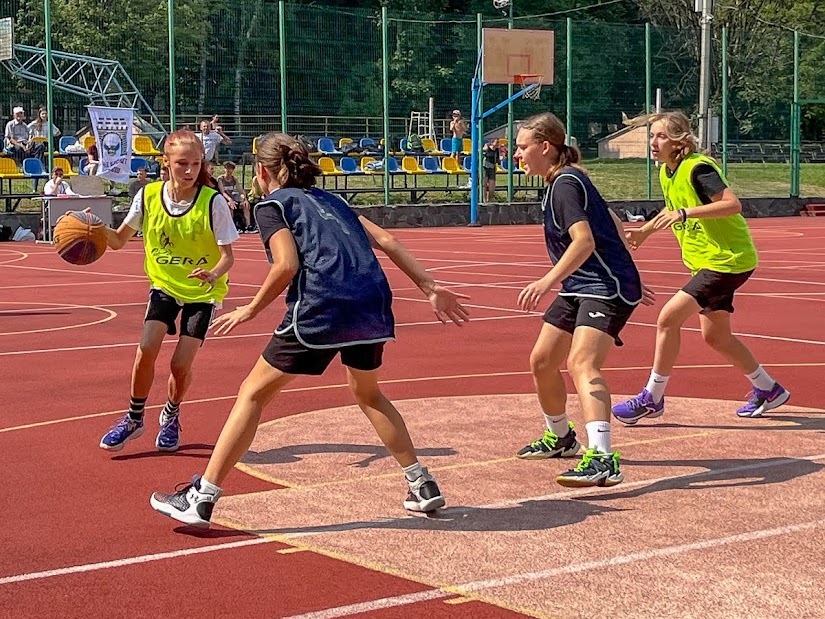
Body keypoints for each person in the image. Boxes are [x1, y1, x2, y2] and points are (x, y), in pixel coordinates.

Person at [149, 132, 470, 527]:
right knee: (368, 393)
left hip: (323, 304)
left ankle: (202, 497)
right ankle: (421, 483)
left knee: (252, 394)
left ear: (262, 171)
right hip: (371, 304)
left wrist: (250, 309)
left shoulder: (273, 205)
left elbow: (285, 265)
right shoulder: (334, 200)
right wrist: (430, 288)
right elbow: (386, 239)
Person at [612, 111, 790, 423]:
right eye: (652, 135)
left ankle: (652, 398)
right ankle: (768, 389)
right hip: (709, 262)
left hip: (727, 260)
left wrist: (685, 213)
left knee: (668, 319)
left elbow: (732, 205)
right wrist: (645, 231)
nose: (654, 142)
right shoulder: (668, 172)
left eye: (662, 136)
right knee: (716, 337)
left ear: (679, 140)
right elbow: (671, 209)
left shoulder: (699, 168)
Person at [512, 112, 653, 488]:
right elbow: (608, 216)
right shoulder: (566, 180)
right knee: (542, 362)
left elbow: (585, 240)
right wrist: (627, 263)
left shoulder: (566, 183)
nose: (516, 154)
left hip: (603, 287)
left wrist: (546, 281)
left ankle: (604, 458)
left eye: (522, 147)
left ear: (545, 147)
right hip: (584, 283)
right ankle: (561, 438)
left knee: (581, 362)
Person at [98, 129, 238, 453]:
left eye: (196, 164)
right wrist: (92, 228)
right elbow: (118, 240)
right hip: (164, 286)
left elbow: (228, 257)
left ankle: (172, 414)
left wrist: (213, 273)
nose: (189, 171)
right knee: (146, 349)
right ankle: (134, 418)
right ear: (166, 161)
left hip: (203, 292)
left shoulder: (212, 202)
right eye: (182, 164)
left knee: (179, 365)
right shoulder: (147, 197)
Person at [218, 161, 254, 232]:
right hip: (223, 199)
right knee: (230, 206)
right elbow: (222, 192)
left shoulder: (234, 179)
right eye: (226, 168)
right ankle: (231, 226)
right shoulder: (220, 179)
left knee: (245, 205)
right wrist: (230, 200)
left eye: (230, 168)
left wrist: (245, 199)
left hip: (232, 198)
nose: (228, 170)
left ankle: (248, 226)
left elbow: (241, 190)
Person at [481, 137, 501, 202]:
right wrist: (485, 148)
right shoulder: (487, 147)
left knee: (492, 187)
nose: (498, 144)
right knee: (484, 184)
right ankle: (484, 199)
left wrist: (502, 157)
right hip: (485, 166)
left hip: (492, 167)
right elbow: (483, 149)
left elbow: (498, 160)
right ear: (492, 142)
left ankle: (489, 199)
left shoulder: (497, 150)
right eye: (497, 142)